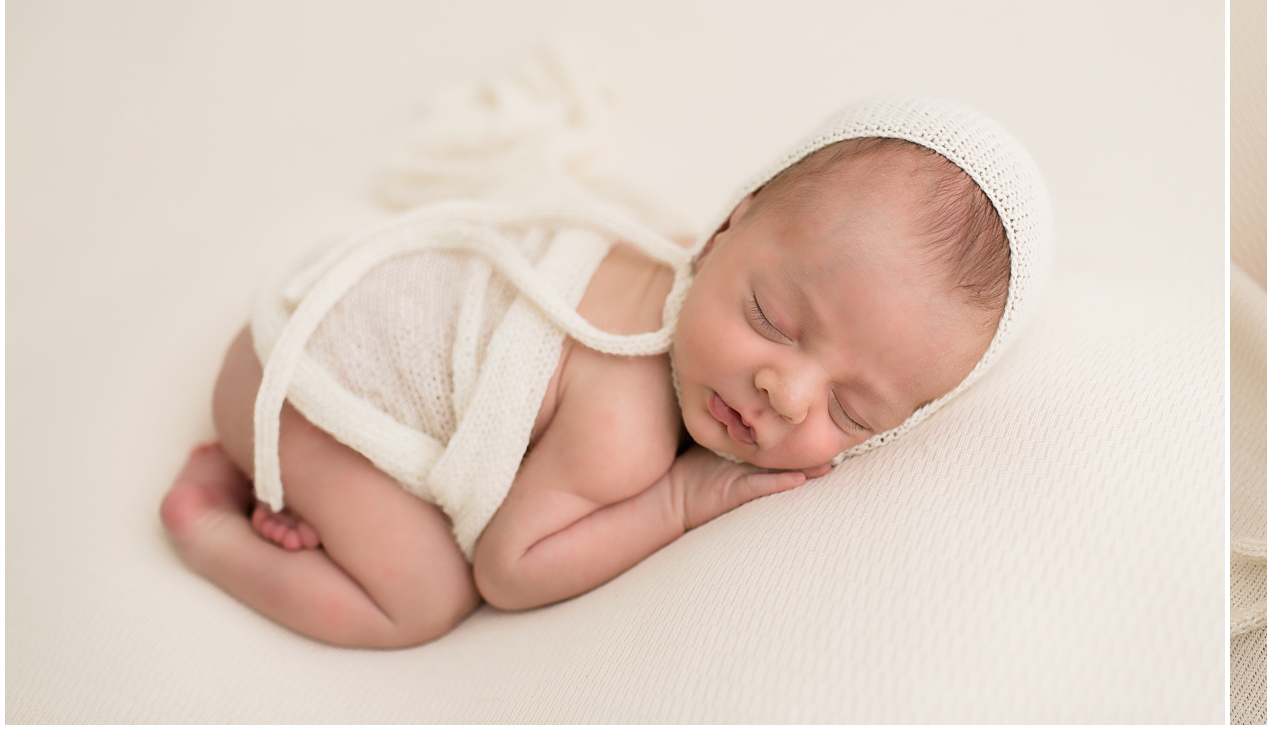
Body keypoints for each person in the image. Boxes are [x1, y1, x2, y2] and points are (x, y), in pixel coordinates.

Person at [160, 96, 1050, 648]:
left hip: (325, 312)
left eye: (853, 411)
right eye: (772, 320)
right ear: (727, 226)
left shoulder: (658, 255)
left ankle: (307, 494)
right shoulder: (625, 425)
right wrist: (682, 499)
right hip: (304, 380)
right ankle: (209, 528)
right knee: (423, 598)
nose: (789, 393)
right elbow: (509, 568)